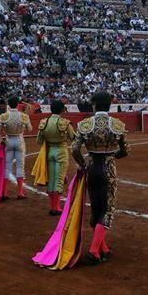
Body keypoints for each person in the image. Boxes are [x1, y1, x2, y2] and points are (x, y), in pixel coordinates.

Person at [71, 90, 128, 263]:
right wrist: (113, 156)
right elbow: (125, 150)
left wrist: (83, 164)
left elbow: (74, 149)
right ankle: (94, 250)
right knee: (107, 209)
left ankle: (103, 247)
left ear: (94, 105)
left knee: (96, 207)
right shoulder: (117, 124)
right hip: (108, 168)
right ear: (109, 104)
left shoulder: (85, 124)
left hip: (92, 167)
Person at [31, 99, 76, 215]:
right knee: (59, 180)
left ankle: (52, 206)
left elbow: (39, 141)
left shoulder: (44, 122)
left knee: (52, 179)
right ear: (62, 110)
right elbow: (74, 139)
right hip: (61, 152)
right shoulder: (65, 123)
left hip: (49, 152)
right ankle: (56, 208)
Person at [0, 95, 32, 199]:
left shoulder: (3, 116)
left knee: (7, 166)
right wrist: (26, 119)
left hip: (8, 140)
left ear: (9, 105)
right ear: (18, 105)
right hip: (19, 140)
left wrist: (1, 141)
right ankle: (20, 193)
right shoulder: (23, 116)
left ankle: (4, 193)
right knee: (20, 166)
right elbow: (30, 129)